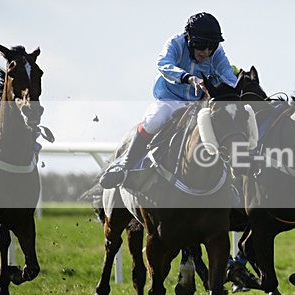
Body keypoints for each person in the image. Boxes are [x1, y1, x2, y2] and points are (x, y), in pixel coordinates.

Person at [99, 11, 238, 189]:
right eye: (201, 45)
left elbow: (227, 73)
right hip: (169, 100)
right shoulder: (176, 43)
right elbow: (163, 63)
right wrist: (188, 77)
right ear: (189, 39)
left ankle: (234, 181)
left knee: (226, 124)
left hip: (197, 104)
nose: (206, 51)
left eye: (211, 46)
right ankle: (124, 165)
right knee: (156, 118)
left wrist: (236, 88)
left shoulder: (216, 53)